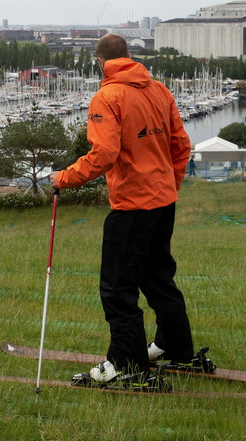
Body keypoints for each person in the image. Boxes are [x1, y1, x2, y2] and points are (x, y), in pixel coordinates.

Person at [49, 34, 196, 391]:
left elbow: (104, 154)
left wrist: (63, 178)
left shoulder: (107, 96)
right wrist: (169, 184)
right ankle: (175, 347)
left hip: (132, 206)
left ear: (99, 62)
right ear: (130, 56)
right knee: (159, 276)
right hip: (162, 203)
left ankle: (128, 364)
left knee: (118, 289)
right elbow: (181, 146)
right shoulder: (159, 90)